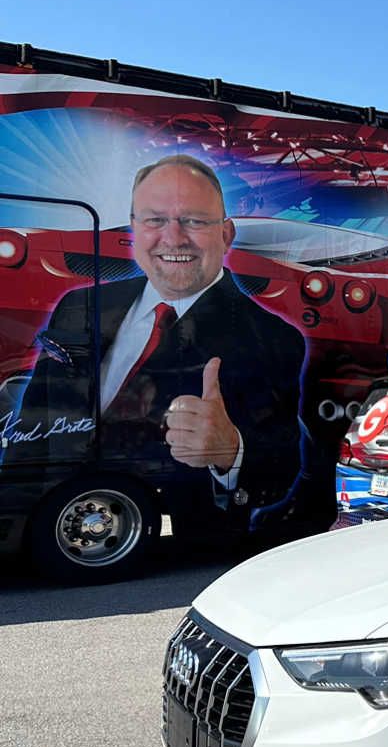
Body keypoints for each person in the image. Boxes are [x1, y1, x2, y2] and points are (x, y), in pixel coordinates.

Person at [8, 154, 308, 527]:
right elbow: (34, 418)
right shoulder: (80, 305)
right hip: (45, 513)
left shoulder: (273, 338)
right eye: (155, 220)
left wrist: (231, 450)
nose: (173, 237)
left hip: (181, 530)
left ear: (226, 234)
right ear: (134, 227)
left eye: (194, 221)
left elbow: (283, 464)